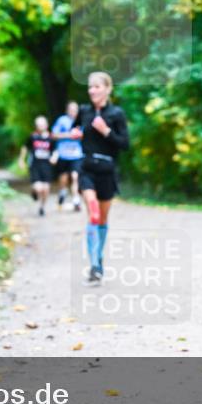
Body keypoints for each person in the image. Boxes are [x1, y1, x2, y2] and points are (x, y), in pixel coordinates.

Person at [70, 72, 129, 286]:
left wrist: (106, 131)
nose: (92, 90)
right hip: (87, 168)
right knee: (93, 212)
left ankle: (98, 258)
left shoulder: (116, 113)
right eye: (90, 87)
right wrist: (76, 133)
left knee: (102, 219)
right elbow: (76, 128)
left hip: (107, 170)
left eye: (96, 87)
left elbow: (125, 144)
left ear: (107, 89)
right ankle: (94, 265)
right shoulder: (84, 111)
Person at [51, 101, 84, 212]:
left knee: (75, 177)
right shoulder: (61, 120)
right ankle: (62, 192)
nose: (73, 112)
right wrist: (69, 135)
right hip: (63, 155)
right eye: (71, 109)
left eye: (75, 110)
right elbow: (53, 135)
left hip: (76, 155)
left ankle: (76, 200)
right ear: (67, 110)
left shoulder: (81, 120)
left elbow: (85, 135)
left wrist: (79, 135)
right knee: (64, 178)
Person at [19, 116, 54, 217]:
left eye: (42, 124)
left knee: (46, 189)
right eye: (39, 125)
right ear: (36, 126)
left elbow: (55, 150)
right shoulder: (32, 137)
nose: (41, 126)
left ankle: (42, 207)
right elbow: (25, 148)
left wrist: (54, 157)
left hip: (46, 166)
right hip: (35, 165)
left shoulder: (51, 138)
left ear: (46, 125)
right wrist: (21, 160)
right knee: (39, 188)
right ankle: (34, 192)